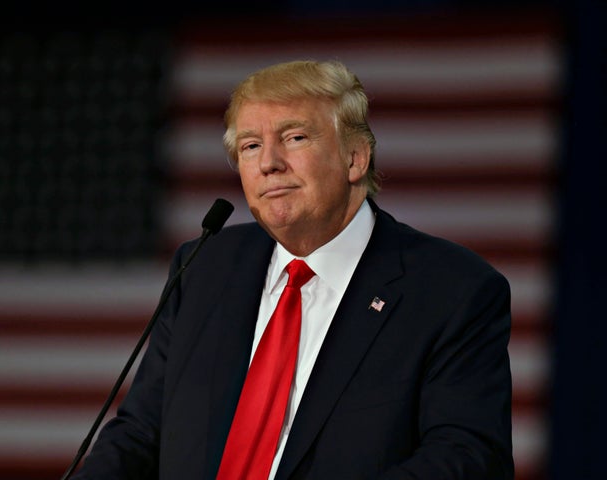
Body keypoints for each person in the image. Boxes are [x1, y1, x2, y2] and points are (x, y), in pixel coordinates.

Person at [71, 59, 513, 479]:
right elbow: (140, 433)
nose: (269, 163)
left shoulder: (451, 290)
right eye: (250, 146)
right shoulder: (204, 266)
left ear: (355, 158)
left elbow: (466, 457)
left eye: (295, 137)